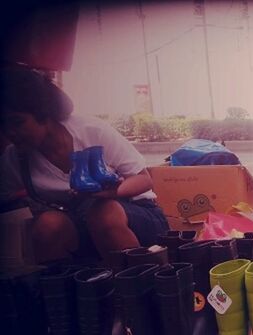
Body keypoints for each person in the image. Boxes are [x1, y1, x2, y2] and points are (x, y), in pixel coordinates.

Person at [0, 66, 168, 267]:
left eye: (17, 122)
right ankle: (66, 291)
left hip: (137, 217)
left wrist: (113, 191)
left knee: (103, 212)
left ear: (43, 115)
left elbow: (144, 179)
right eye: (3, 125)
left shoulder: (91, 131)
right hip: (82, 224)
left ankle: (138, 286)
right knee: (48, 225)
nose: (10, 132)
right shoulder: (15, 158)